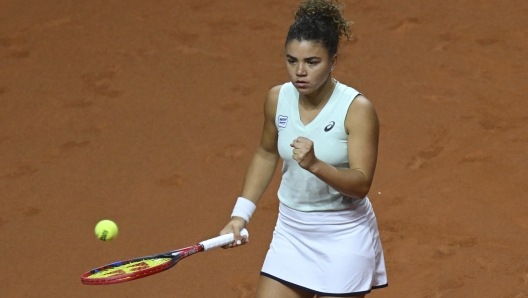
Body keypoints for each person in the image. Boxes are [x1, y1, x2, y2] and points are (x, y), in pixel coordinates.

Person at [220, 0, 388, 297]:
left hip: (343, 236)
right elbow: (266, 152)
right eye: (291, 60)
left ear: (333, 60)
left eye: (312, 62)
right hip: (292, 232)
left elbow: (361, 184)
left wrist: (315, 164)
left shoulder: (356, 109)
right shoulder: (277, 98)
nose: (299, 72)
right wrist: (239, 215)